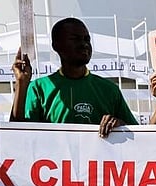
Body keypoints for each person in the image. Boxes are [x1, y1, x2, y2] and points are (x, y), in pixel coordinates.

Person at [10, 17, 138, 138]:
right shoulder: (39, 88)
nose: (84, 44)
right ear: (56, 45)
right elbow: (18, 137)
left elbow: (140, 137)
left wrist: (120, 125)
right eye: (75, 39)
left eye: (87, 39)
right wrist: (21, 83)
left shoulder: (109, 90)